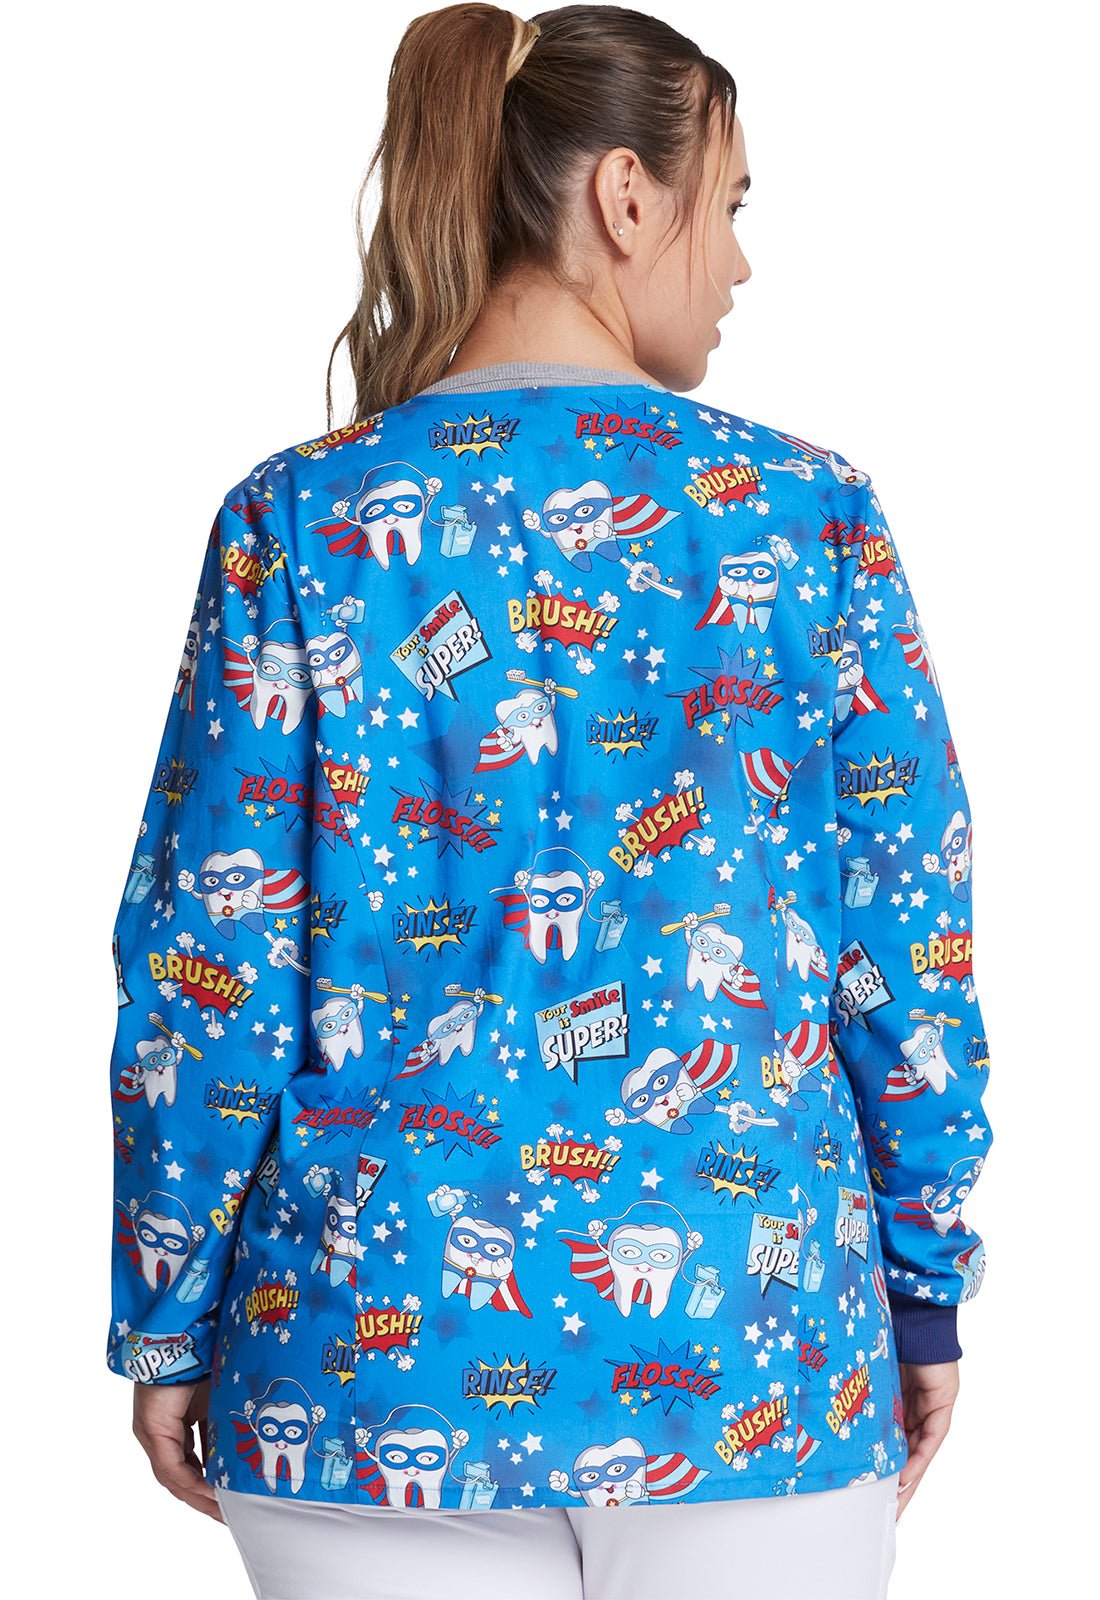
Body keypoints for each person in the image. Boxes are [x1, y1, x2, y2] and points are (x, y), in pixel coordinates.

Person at [106, 6, 994, 1598]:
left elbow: (208, 969)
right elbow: (902, 939)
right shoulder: (810, 517)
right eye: (731, 204)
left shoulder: (297, 521)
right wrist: (922, 1280)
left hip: (370, 1366)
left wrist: (169, 1319)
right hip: (756, 1352)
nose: (739, 262)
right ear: (626, 198)